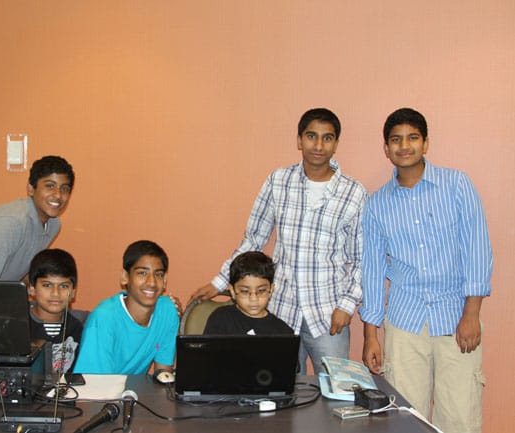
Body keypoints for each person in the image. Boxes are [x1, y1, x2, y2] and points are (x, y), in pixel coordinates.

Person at [190, 108, 367, 373]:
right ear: (299, 140)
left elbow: (360, 259)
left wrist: (347, 305)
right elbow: (253, 240)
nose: (319, 146)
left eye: (327, 138)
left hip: (329, 313)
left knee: (334, 391)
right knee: (280, 385)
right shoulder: (278, 181)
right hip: (281, 310)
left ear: (336, 144)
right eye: (311, 136)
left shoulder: (354, 193)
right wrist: (219, 282)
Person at [360, 108, 492, 433]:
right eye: (396, 140)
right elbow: (372, 271)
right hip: (405, 322)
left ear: (426, 143)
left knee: (460, 416)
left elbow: (477, 248)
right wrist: (370, 335)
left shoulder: (456, 185)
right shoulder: (376, 205)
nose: (404, 146)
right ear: (386, 148)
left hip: (456, 317)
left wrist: (472, 314)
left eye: (413, 138)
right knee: (405, 418)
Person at [72, 240, 178, 375]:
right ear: (125, 277)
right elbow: (94, 383)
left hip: (134, 388)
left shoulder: (168, 311)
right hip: (99, 386)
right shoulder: (104, 318)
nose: (151, 282)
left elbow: (163, 375)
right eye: (142, 273)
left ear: (165, 281)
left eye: (158, 275)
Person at [204, 251, 293, 335]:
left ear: (271, 289)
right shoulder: (221, 318)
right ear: (232, 291)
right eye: (245, 291)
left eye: (261, 291)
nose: (254, 299)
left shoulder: (283, 331)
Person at [28, 248, 83, 375]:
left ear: (73, 292)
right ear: (32, 289)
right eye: (47, 285)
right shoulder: (18, 324)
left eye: (64, 286)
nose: (56, 293)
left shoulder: (82, 324)